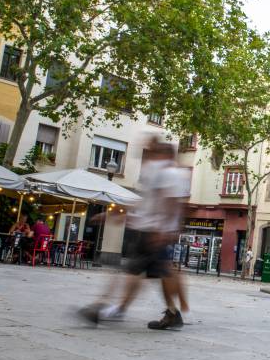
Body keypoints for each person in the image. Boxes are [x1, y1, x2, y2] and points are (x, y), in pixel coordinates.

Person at [80, 136, 191, 330]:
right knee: (148, 274)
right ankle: (172, 312)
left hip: (153, 232)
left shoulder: (167, 173)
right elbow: (145, 202)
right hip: (150, 230)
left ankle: (109, 309)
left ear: (164, 153)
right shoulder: (156, 172)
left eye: (152, 150)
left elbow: (170, 203)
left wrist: (162, 230)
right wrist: (117, 214)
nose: (148, 153)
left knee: (134, 272)